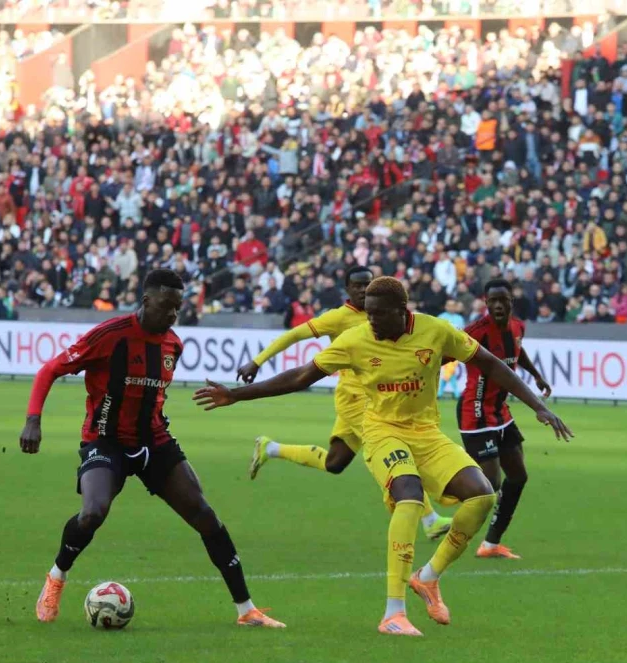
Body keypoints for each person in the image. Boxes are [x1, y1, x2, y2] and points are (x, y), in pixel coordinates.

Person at [195, 277, 572, 636]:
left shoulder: (435, 331)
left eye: (377, 312)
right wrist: (235, 395)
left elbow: (490, 362)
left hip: (426, 431)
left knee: (483, 494)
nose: (370, 319)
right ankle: (394, 613)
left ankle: (428, 577)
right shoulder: (356, 339)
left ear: (401, 310)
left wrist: (538, 406)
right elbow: (300, 376)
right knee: (408, 496)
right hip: (380, 430)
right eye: (368, 311)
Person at [20, 269, 285, 628]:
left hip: (155, 442)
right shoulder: (110, 336)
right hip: (105, 440)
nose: (173, 314)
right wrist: (34, 420)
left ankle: (246, 610)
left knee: (205, 516)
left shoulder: (173, 344)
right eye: (167, 306)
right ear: (146, 301)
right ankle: (56, 577)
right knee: (92, 513)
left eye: (178, 308)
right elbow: (49, 370)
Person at [235, 266, 454, 541]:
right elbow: (294, 335)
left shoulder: (387, 314)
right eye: (357, 285)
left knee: (335, 462)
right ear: (347, 289)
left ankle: (271, 447)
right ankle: (430, 520)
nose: (363, 289)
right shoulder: (338, 318)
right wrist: (257, 360)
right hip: (356, 402)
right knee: (399, 452)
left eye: (368, 284)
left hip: (375, 398)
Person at [457, 280, 552, 560]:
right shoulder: (475, 332)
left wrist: (535, 374)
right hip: (475, 412)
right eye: (493, 300)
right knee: (490, 487)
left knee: (518, 476)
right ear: (486, 303)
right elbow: (445, 355)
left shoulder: (518, 327)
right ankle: (442, 490)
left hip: (501, 413)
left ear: (511, 301)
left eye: (504, 300)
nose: (498, 305)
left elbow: (517, 351)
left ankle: (490, 544)